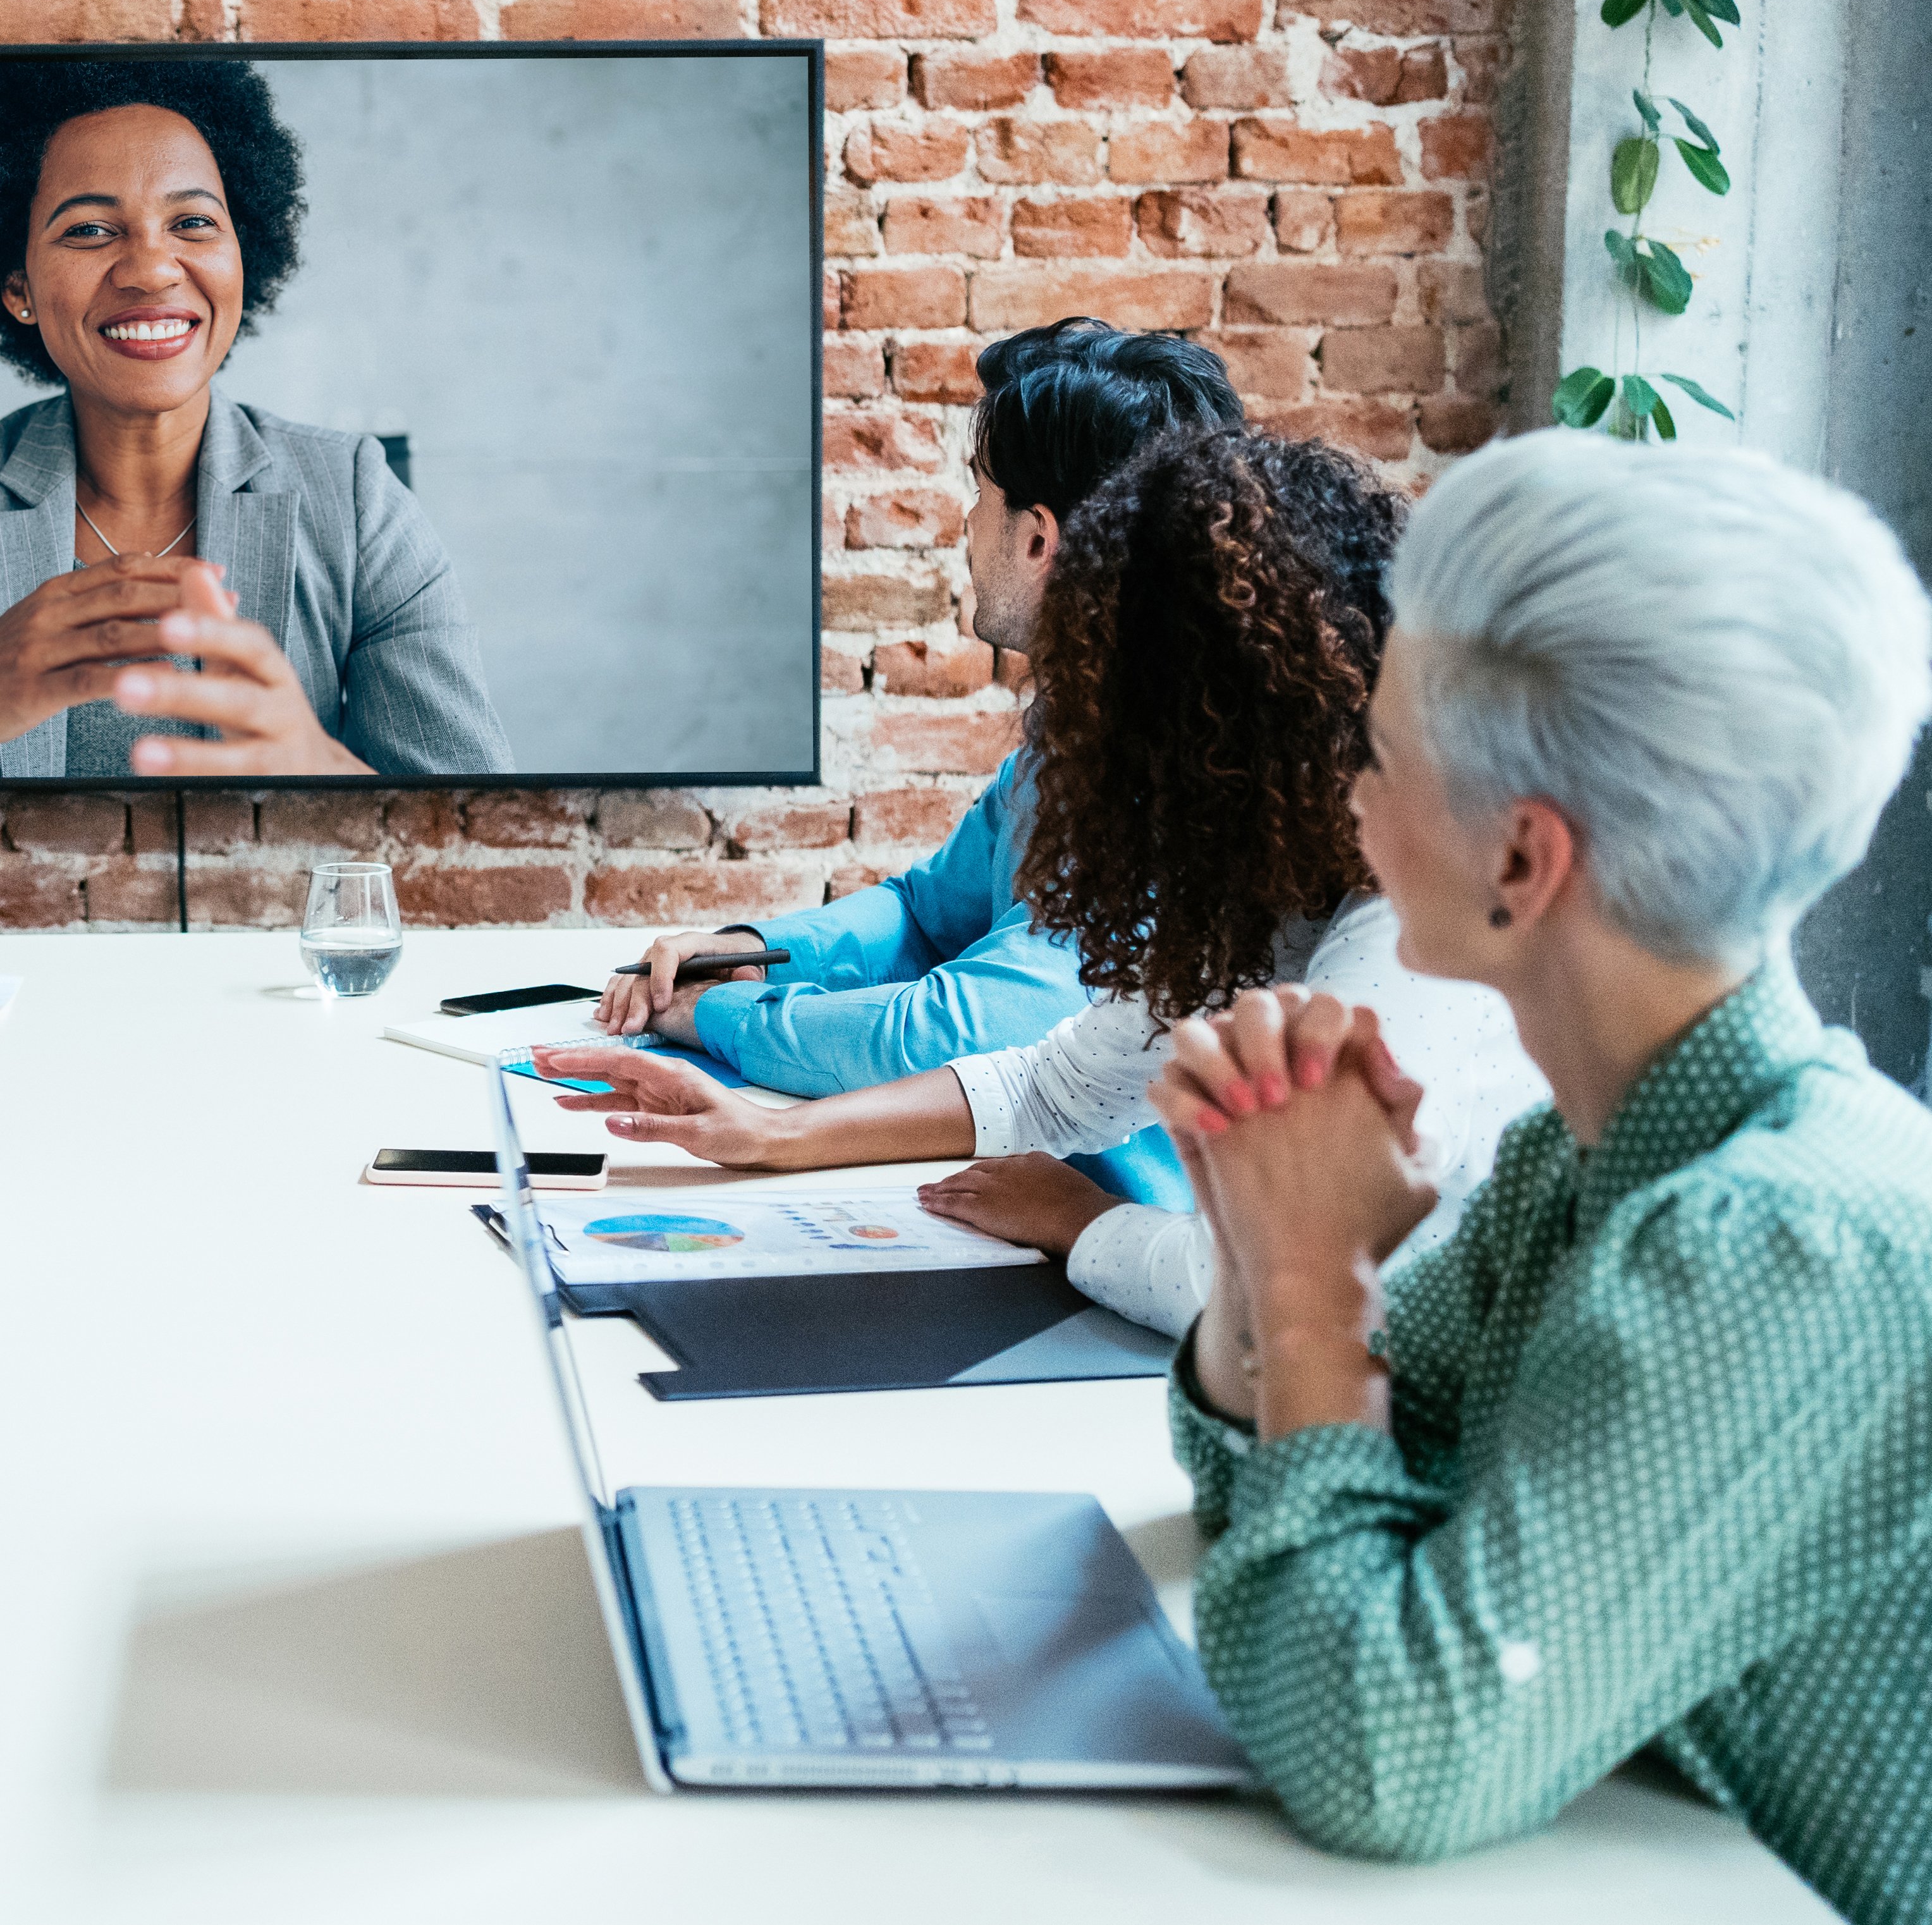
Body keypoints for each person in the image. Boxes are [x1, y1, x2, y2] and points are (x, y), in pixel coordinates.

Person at [1140, 434, 1932, 1915]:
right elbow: (1281, 1511)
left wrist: (1318, 1285)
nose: (1351, 796)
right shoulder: (1586, 1165)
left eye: (1376, 754)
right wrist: (1256, 1232)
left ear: (1522, 858)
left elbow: (1379, 1749)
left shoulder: (1772, 1239)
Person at [537, 430, 1545, 1337]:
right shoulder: (1268, 886)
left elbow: (1251, 1291)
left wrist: (1081, 1220)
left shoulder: (1413, 945)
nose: (1079, 747)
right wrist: (770, 1131)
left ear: (1217, 734)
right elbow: (1063, 1082)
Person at [0, 57, 511, 782]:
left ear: (244, 256)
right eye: (88, 230)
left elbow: (480, 837)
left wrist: (313, 762)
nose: (151, 268)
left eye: (192, 223)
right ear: (17, 285)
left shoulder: (355, 496)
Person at [596, 321, 1244, 1148]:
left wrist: (720, 1014)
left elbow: (959, 1033)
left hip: (1100, 1239)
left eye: (980, 492)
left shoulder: (1166, 774)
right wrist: (745, 947)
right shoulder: (1075, 736)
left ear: (1040, 538)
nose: (965, 526)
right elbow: (928, 913)